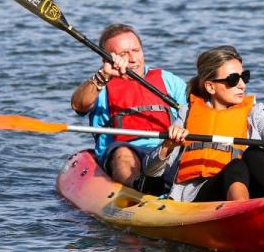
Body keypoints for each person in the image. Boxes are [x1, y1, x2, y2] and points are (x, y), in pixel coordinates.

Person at [145, 45, 264, 202]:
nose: (242, 85)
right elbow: (150, 171)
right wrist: (168, 145)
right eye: (233, 80)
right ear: (210, 86)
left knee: (255, 153)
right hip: (201, 194)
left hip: (249, 188)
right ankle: (240, 211)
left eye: (245, 77)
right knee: (235, 166)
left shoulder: (254, 112)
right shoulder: (187, 113)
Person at [70, 24, 188, 190]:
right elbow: (78, 105)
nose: (133, 59)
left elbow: (193, 113)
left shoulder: (168, 80)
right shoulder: (102, 85)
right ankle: (141, 187)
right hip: (126, 153)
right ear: (106, 59)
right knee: (123, 154)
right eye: (123, 54)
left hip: (167, 148)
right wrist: (103, 76)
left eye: (136, 50)